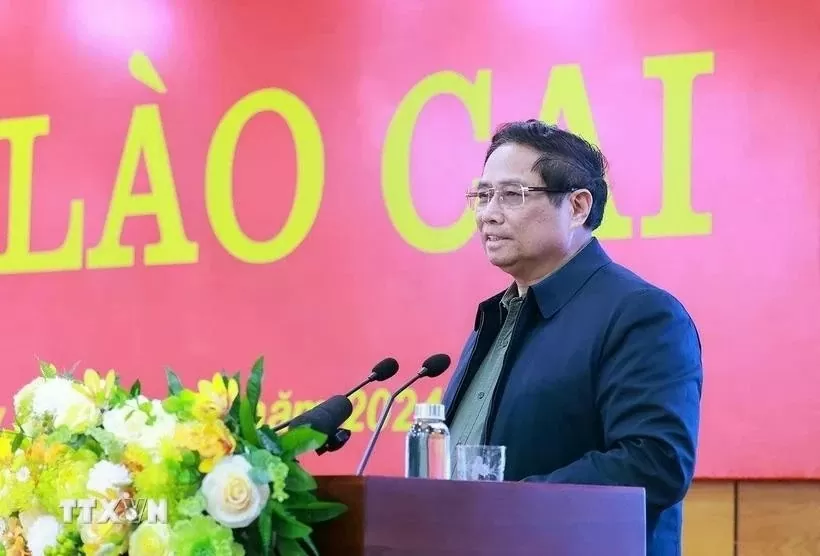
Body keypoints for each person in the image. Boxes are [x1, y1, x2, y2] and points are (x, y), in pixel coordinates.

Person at [442, 119, 703, 556]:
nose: (488, 213)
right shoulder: (498, 317)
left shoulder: (641, 315)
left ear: (578, 206)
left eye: (512, 195)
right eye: (483, 196)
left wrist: (505, 507)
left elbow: (654, 462)